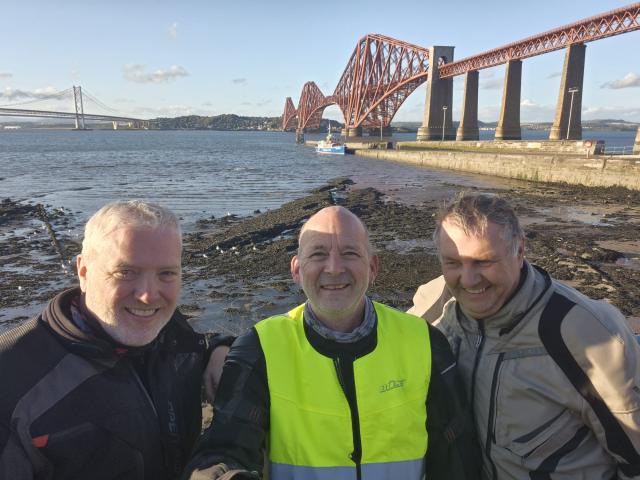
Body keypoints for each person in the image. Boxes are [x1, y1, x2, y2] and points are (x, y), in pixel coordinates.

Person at [183, 206, 480, 480]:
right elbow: (227, 444)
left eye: (350, 253)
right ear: (297, 270)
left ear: (373, 267)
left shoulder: (424, 342)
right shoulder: (261, 347)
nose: (334, 268)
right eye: (318, 254)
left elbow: (457, 453)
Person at [408, 192, 640, 479]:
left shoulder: (590, 335)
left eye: (483, 262)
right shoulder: (432, 309)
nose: (468, 280)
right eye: (453, 263)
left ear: (519, 251)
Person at [0, 200, 230, 479]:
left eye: (166, 273)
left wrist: (220, 348)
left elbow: (193, 346)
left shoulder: (170, 330)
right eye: (125, 272)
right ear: (83, 271)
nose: (148, 295)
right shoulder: (13, 380)